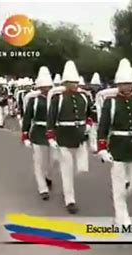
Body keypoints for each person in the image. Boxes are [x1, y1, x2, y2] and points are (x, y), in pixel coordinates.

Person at [97, 58, 132, 226]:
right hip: (117, 147)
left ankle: (119, 198)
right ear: (118, 84)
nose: (126, 87)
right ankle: (122, 216)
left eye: (129, 84)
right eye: (123, 83)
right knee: (118, 184)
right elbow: (103, 127)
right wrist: (102, 148)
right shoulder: (110, 102)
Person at [46, 60, 94, 214]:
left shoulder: (84, 97)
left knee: (82, 168)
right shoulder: (57, 98)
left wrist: (88, 124)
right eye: (70, 82)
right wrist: (51, 137)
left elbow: (90, 114)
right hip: (63, 137)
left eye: (75, 82)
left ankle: (67, 187)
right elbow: (51, 119)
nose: (74, 84)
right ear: (65, 83)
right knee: (66, 168)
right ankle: (70, 200)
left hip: (80, 136)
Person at [21, 66, 55, 200]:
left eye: (48, 86)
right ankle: (43, 189)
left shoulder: (55, 99)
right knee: (39, 161)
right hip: (38, 133)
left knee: (53, 161)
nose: (46, 89)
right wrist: (25, 134)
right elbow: (27, 117)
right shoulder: (33, 100)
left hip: (53, 133)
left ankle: (48, 176)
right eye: (43, 86)